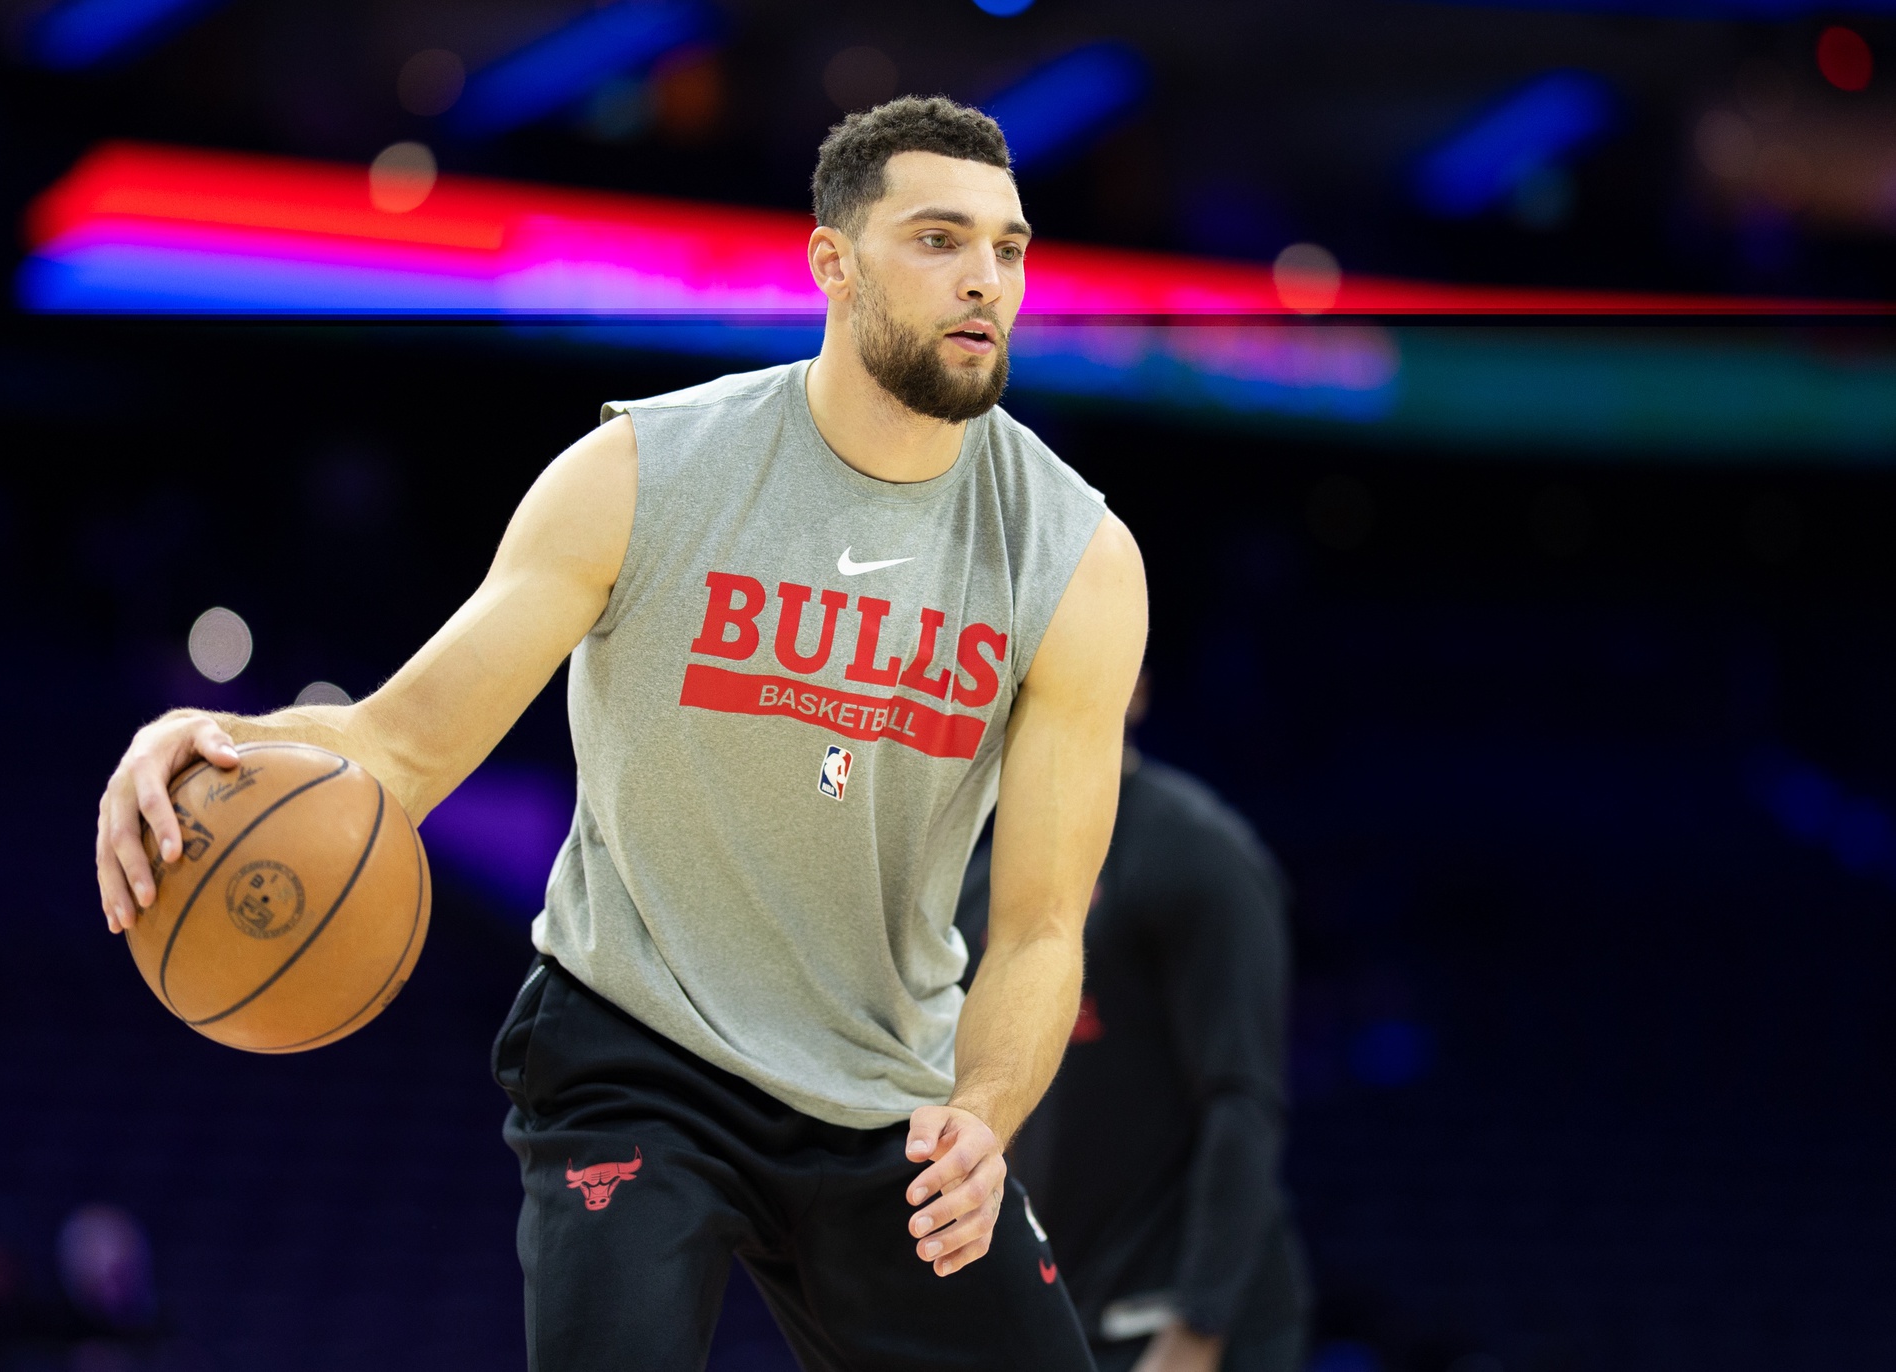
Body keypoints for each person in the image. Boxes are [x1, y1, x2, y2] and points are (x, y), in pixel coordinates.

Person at [93, 97, 1147, 1371]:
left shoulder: (1077, 558)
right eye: (937, 239)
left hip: (889, 1094)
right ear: (833, 260)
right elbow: (401, 749)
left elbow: (1038, 927)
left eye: (1009, 247)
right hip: (639, 1053)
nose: (985, 278)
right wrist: (209, 731)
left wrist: (983, 1113)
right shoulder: (646, 470)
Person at [955, 675, 1308, 1372]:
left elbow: (1242, 1102)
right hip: (1055, 1309)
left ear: (1135, 688)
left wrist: (1196, 1331)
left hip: (1183, 1323)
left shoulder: (1199, 857)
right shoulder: (979, 882)